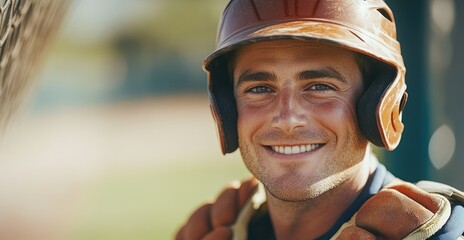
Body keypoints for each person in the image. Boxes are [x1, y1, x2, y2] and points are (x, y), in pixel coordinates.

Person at [176, 0, 464, 239]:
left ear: (379, 103)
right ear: (227, 109)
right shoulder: (218, 231)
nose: (287, 120)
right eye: (259, 89)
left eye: (320, 87)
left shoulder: (442, 233)